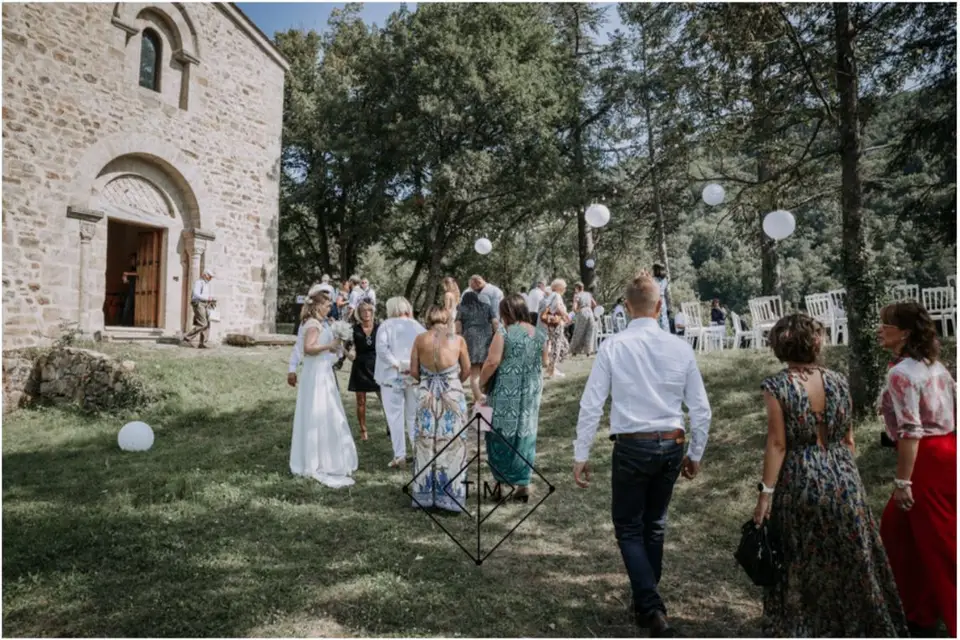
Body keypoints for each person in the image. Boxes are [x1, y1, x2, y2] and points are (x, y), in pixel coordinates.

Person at [573, 270, 711, 637]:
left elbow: (591, 404)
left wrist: (580, 454)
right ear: (659, 306)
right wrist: (696, 452)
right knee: (654, 524)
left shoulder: (614, 346)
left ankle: (649, 605)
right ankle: (646, 603)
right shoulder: (680, 347)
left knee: (629, 527)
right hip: (671, 441)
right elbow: (701, 408)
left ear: (626, 307)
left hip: (634, 445)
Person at [754, 313, 908, 637]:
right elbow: (849, 439)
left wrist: (765, 494)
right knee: (851, 560)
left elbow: (778, 444)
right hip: (842, 474)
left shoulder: (777, 386)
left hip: (800, 478)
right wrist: (846, 480)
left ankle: (805, 626)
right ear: (816, 343)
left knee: (801, 560)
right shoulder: (838, 380)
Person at [877, 301, 956, 637]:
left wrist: (903, 480)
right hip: (948, 452)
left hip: (924, 459)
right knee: (897, 531)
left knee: (941, 544)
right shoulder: (935, 366)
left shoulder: (902, 373)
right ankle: (917, 611)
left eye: (886, 325)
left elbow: (911, 431)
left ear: (904, 333)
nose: (880, 329)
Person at [478, 295, 548, 502]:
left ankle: (500, 484)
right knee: (525, 432)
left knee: (500, 433)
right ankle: (523, 484)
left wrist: (482, 382)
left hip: (506, 391)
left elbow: (492, 361)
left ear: (506, 313)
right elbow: (545, 361)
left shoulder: (504, 331)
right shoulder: (539, 333)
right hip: (531, 391)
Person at [289, 290, 358, 488]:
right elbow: (308, 349)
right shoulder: (313, 324)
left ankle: (324, 455)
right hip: (316, 372)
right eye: (328, 305)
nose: (330, 308)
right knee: (319, 411)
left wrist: (340, 349)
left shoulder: (321, 323)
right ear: (318, 306)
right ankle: (316, 459)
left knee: (326, 411)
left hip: (321, 370)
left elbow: (323, 348)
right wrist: (330, 345)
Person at [409, 306, 471, 512]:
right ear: (447, 319)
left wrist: (428, 380)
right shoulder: (458, 339)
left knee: (425, 442)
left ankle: (424, 494)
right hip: (452, 393)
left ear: (428, 318)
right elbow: (467, 369)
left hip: (426, 394)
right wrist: (453, 381)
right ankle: (451, 494)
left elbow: (414, 371)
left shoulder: (419, 339)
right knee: (452, 442)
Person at [375, 297, 426, 468]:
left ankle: (400, 455)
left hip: (392, 376)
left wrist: (395, 363)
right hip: (413, 376)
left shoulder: (386, 325)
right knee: (413, 416)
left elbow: (382, 349)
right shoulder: (417, 326)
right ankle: (418, 452)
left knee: (394, 416)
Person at [346, 302, 380, 442]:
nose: (366, 313)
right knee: (361, 401)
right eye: (363, 311)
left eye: (369, 310)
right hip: (360, 367)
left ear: (373, 312)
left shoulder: (380, 328)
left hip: (377, 366)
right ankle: (363, 429)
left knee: (385, 399)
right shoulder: (353, 329)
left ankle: (391, 426)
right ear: (359, 314)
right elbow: (349, 347)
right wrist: (350, 351)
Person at [456, 290, 498, 402]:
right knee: (486, 369)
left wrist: (458, 338)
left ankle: (478, 399)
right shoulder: (486, 307)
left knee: (474, 372)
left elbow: (458, 326)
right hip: (486, 339)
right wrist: (496, 336)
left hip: (470, 340)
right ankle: (486, 397)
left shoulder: (461, 308)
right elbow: (495, 322)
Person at [539, 279, 569, 379]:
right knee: (557, 346)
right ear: (559, 287)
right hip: (557, 323)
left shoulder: (551, 295)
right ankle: (552, 370)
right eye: (564, 287)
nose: (565, 289)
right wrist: (566, 316)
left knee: (562, 345)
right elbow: (557, 307)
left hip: (552, 324)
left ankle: (551, 368)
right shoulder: (556, 295)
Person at [182, 269, 216, 349]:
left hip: (205, 304)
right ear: (205, 275)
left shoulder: (207, 284)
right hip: (198, 303)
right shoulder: (198, 282)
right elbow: (196, 294)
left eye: (211, 277)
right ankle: (186, 338)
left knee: (207, 323)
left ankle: (202, 343)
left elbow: (206, 295)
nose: (210, 278)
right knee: (203, 323)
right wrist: (208, 298)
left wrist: (211, 299)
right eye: (209, 276)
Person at [568, 282, 598, 357]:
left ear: (577, 288)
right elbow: (594, 304)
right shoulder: (588, 294)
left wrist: (577, 312)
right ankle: (588, 352)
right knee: (589, 331)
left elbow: (574, 308)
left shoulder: (577, 295)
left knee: (578, 331)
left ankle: (573, 351)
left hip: (582, 311)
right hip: (590, 312)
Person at [120, 253, 138, 327]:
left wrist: (127, 274)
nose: (131, 261)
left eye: (132, 259)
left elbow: (139, 273)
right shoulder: (131, 269)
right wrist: (125, 280)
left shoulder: (139, 268)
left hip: (137, 291)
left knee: (131, 307)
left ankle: (127, 323)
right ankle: (125, 323)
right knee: (127, 307)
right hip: (131, 290)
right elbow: (130, 281)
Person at [652, 263, 670, 332]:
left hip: (656, 299)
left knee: (658, 318)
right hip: (662, 299)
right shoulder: (665, 280)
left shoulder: (654, 279)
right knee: (664, 318)